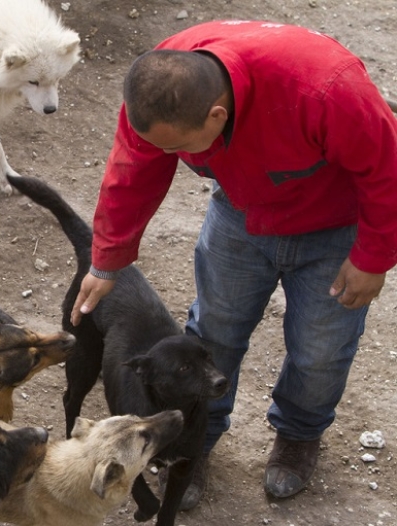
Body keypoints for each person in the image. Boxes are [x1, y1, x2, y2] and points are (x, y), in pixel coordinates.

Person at [71, 20, 397, 507]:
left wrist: (371, 257)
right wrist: (107, 259)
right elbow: (132, 168)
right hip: (239, 215)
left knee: (320, 348)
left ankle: (299, 434)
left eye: (179, 148)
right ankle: (194, 440)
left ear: (217, 115)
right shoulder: (162, 84)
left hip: (332, 227)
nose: (169, 157)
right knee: (214, 334)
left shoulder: (326, 89)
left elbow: (386, 170)